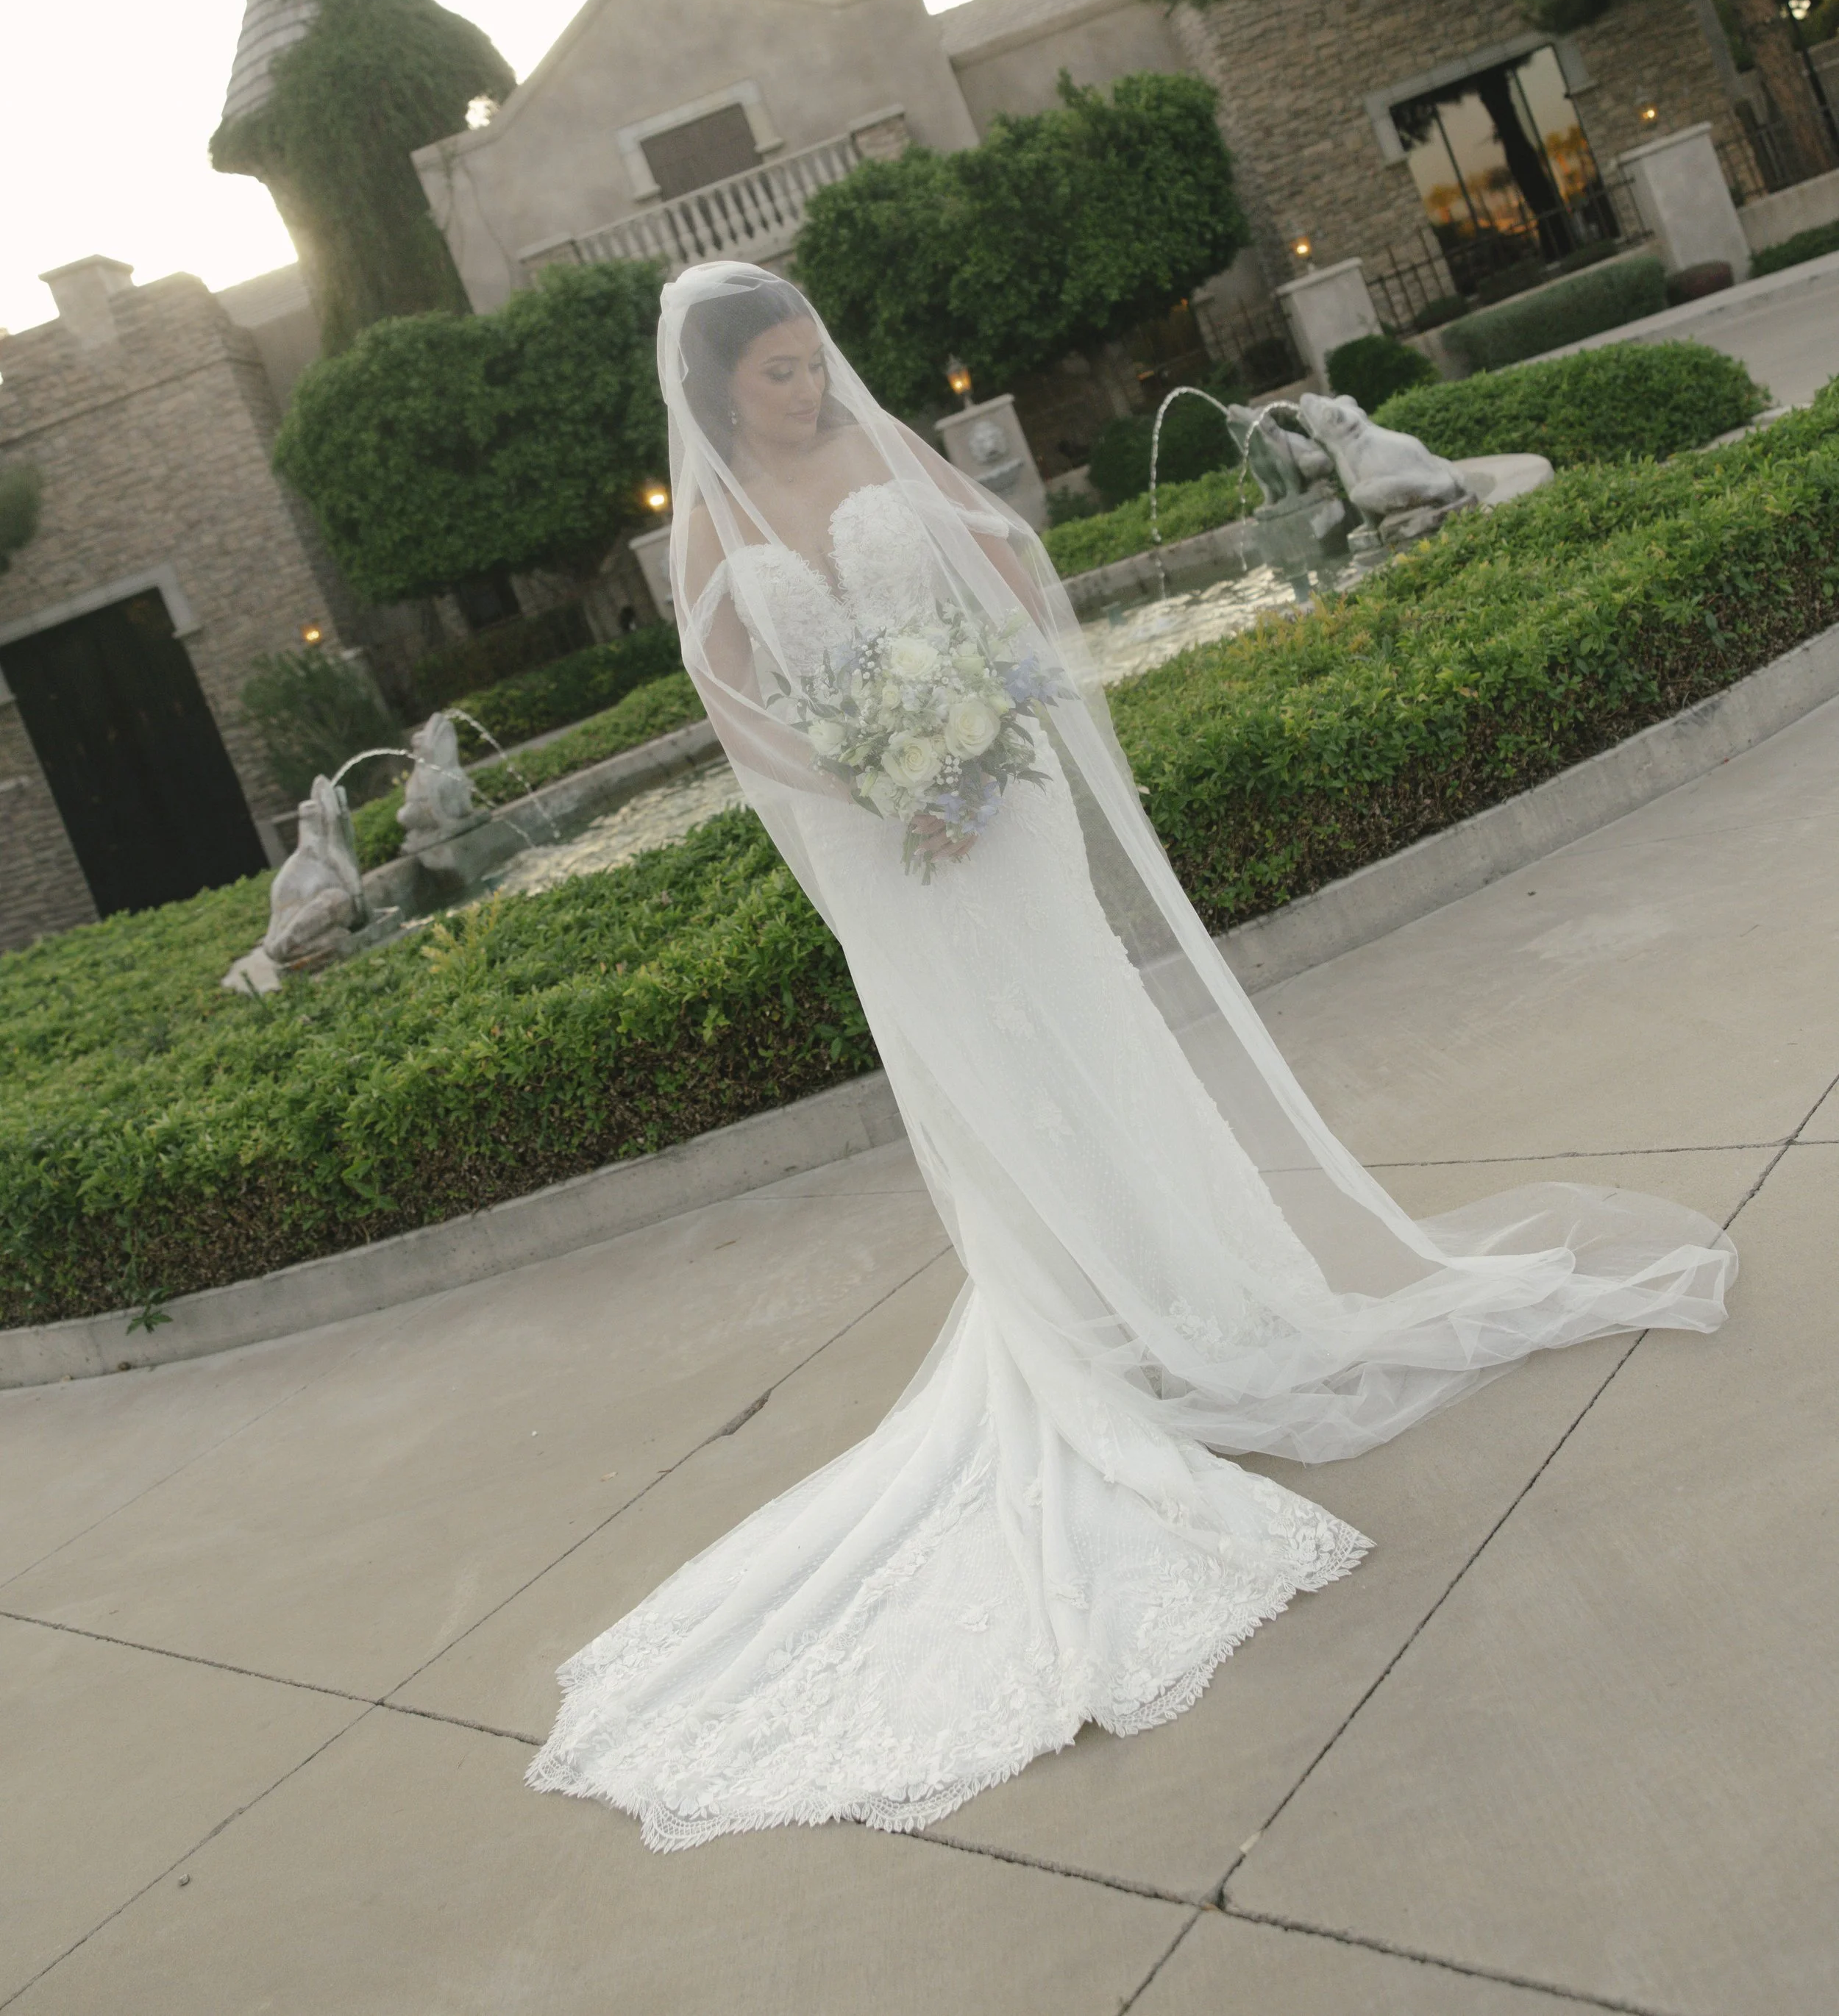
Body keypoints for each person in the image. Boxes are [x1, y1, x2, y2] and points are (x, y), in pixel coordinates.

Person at [528, 260, 1734, 1851]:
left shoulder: (874, 450)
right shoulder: (707, 525)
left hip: (996, 803)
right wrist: (865, 780)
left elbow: (1011, 568)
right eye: (776, 376)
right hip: (890, 844)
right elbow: (732, 703)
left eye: (815, 361)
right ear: (714, 392)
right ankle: (1096, 1328)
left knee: (1088, 1034)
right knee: (997, 1077)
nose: (809, 391)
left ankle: (1206, 1298)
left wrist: (982, 709)